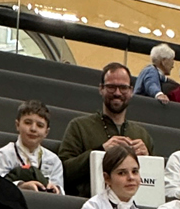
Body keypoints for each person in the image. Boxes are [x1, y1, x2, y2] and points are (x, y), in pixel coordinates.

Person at [59, 63, 155, 197]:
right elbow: (63, 171)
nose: (117, 93)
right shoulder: (79, 126)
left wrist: (148, 161)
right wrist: (101, 151)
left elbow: (153, 184)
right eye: (111, 87)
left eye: (123, 87)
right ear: (101, 89)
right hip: (88, 205)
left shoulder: (142, 135)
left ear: (131, 91)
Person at [0, 100, 63, 193]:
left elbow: (61, 195)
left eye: (40, 125)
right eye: (28, 122)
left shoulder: (54, 160)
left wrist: (55, 189)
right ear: (17, 125)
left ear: (46, 132)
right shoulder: (4, 154)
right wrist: (21, 186)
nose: (33, 129)